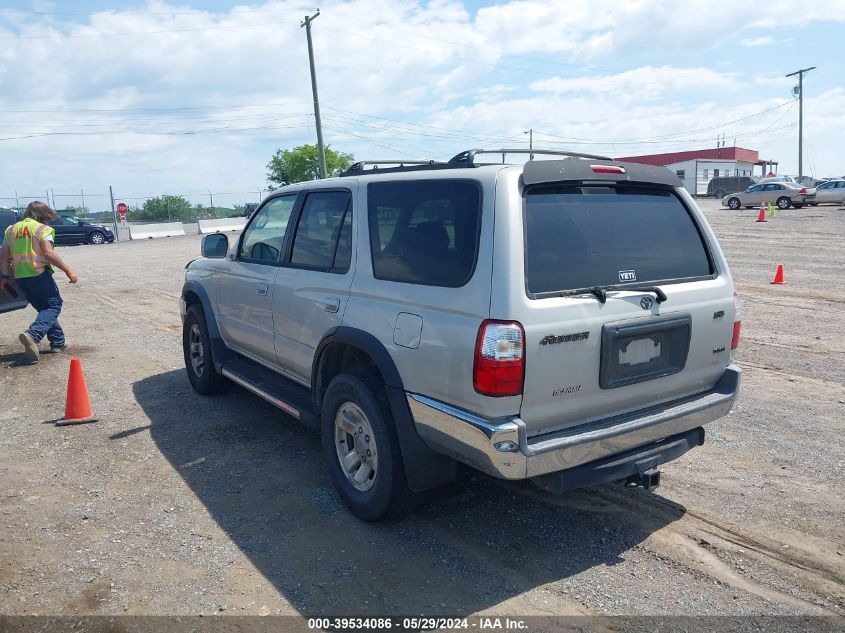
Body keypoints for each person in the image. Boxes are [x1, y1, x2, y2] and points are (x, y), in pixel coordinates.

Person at [0, 201, 78, 362]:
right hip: (39, 274)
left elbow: (3, 256)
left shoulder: (11, 229)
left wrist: (5, 277)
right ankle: (33, 335)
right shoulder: (43, 229)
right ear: (44, 216)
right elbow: (48, 253)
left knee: (45, 308)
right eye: (48, 218)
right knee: (53, 305)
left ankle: (58, 342)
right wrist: (68, 270)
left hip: (21, 278)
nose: (49, 221)